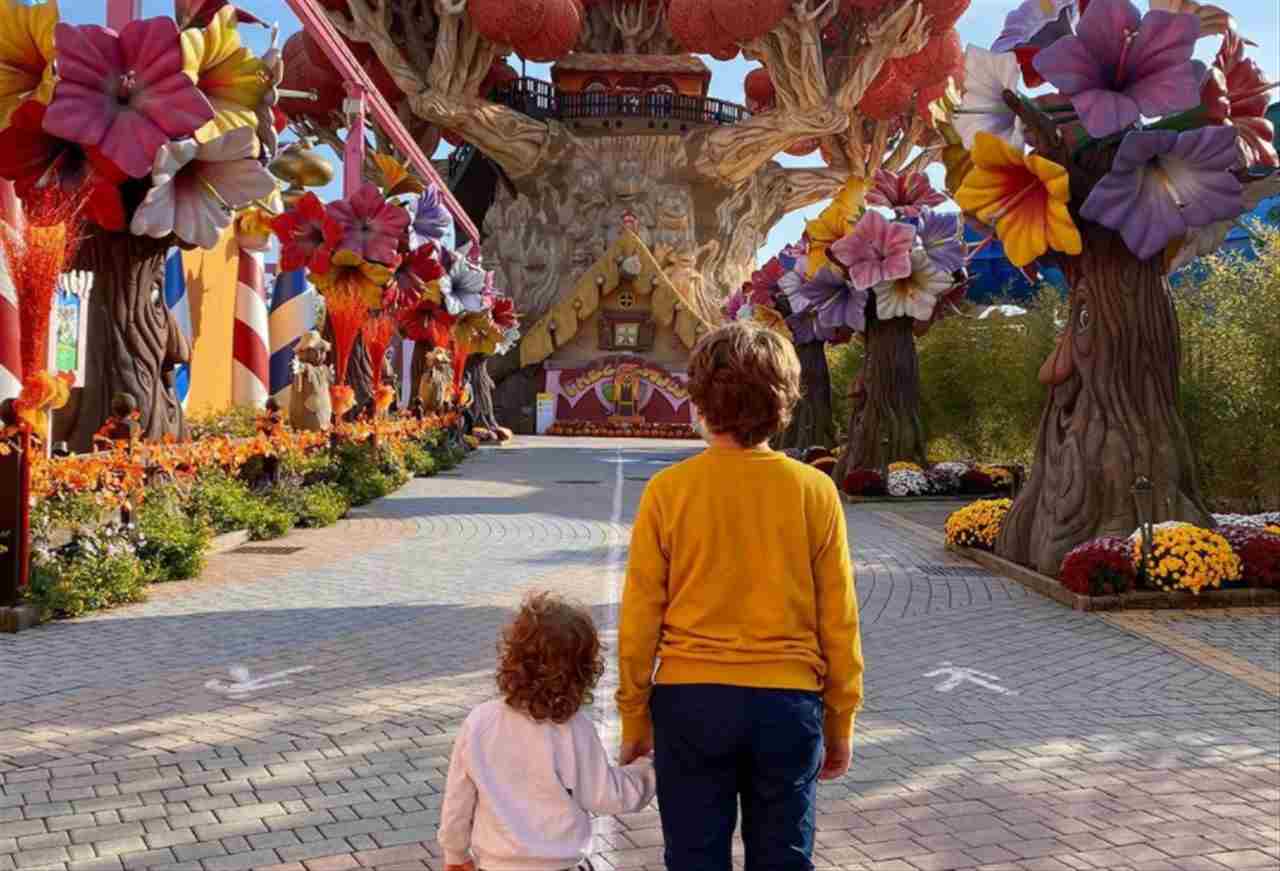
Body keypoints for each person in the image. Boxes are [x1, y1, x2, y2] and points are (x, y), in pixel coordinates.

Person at [617, 322, 864, 871]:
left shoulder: (668, 492)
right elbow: (839, 618)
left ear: (701, 399)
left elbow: (640, 617)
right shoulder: (815, 491)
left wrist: (634, 716)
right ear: (785, 401)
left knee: (694, 859)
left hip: (689, 702)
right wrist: (841, 718)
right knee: (783, 859)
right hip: (788, 704)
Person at [440, 592, 657, 871]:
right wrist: (648, 769)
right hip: (561, 864)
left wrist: (455, 854)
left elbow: (458, 800)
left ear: (512, 657)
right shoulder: (574, 729)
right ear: (583, 671)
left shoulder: (480, 722)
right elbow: (607, 795)